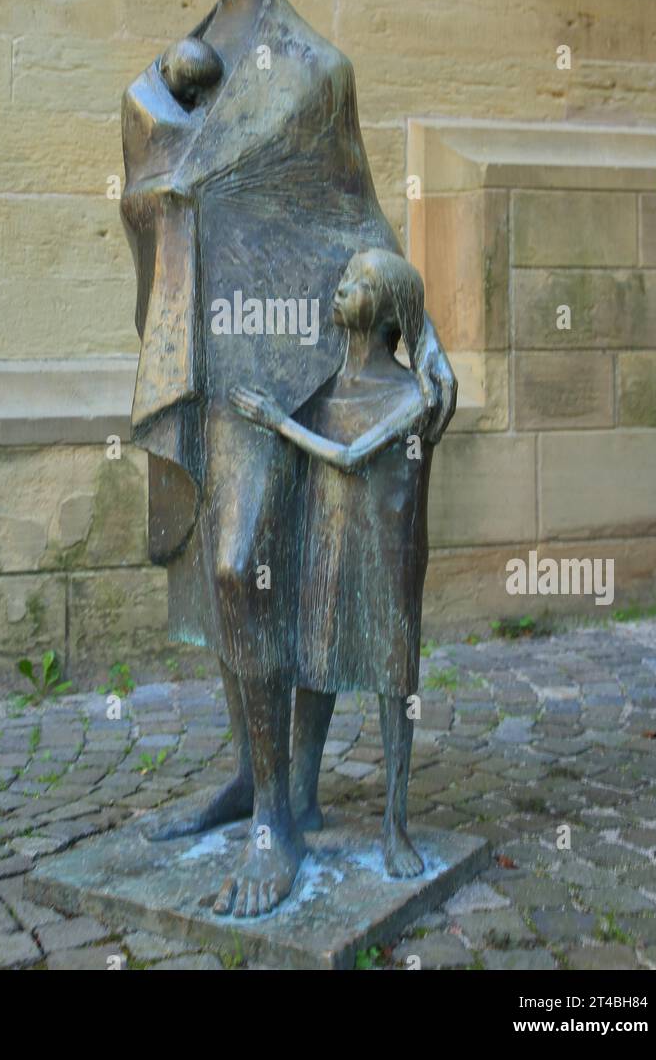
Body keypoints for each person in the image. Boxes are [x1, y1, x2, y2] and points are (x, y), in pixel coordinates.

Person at [121, 0, 457, 917]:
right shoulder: (185, 61)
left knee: (256, 569)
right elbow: (151, 179)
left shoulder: (316, 69)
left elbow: (354, 209)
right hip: (212, 347)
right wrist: (154, 119)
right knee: (224, 580)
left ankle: (282, 811)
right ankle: (263, 783)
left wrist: (424, 332)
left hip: (301, 351)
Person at [231, 249, 448, 877]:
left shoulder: (414, 394)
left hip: (388, 554)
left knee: (392, 677)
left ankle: (395, 824)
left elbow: (352, 457)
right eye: (345, 279)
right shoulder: (323, 382)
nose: (340, 289)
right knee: (313, 662)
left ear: (386, 316)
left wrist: (277, 422)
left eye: (356, 286)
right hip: (327, 542)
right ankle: (302, 793)